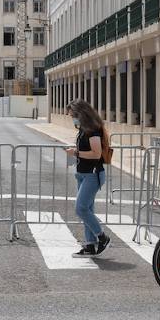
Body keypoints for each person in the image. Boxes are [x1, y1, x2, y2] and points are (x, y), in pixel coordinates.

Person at [63, 100, 111, 258]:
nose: (72, 119)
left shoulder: (92, 130)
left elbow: (96, 154)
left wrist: (75, 153)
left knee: (81, 208)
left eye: (73, 116)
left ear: (81, 114)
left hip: (93, 174)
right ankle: (90, 245)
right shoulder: (84, 129)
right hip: (83, 173)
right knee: (87, 210)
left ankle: (102, 237)